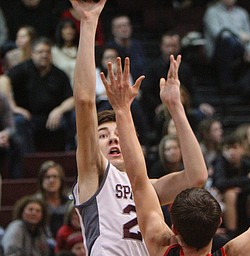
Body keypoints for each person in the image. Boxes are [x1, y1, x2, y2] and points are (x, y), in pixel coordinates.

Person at [108, 46, 250, 256]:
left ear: (174, 230)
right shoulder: (235, 253)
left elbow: (138, 180)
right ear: (219, 224)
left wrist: (122, 110)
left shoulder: (160, 247)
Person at [70, 1, 207, 255]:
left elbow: (196, 176)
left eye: (118, 134)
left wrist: (176, 107)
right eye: (103, 135)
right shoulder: (94, 175)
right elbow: (85, 101)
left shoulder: (148, 187)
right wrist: (88, 24)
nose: (113, 139)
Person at [0, 37, 75, 153]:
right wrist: (13, 107)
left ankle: (70, 157)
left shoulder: (59, 74)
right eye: (40, 52)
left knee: (72, 117)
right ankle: (28, 162)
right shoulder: (23, 69)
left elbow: (71, 99)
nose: (44, 55)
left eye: (47, 52)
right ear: (32, 54)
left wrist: (59, 110)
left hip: (52, 118)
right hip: (29, 117)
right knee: (18, 121)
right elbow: (4, 80)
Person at [141, 31, 196, 127]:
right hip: (158, 106)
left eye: (174, 46)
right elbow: (146, 91)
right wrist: (159, 105)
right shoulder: (152, 68)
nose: (171, 49)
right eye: (168, 46)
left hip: (183, 106)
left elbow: (191, 90)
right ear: (161, 46)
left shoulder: (185, 68)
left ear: (179, 47)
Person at [203, 0, 250, 93]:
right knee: (227, 42)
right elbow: (218, 34)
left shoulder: (242, 13)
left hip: (240, 50)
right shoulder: (212, 12)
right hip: (217, 52)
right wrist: (239, 35)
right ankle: (226, 85)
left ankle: (243, 88)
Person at [34, 160, 73, 240]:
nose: (51, 180)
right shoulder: (36, 202)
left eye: (55, 177)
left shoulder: (71, 200)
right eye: (47, 177)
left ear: (61, 180)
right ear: (41, 181)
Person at [108, 14, 147, 81]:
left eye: (126, 25)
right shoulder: (108, 48)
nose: (124, 29)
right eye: (119, 26)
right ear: (113, 30)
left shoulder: (138, 46)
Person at [0, 91, 24, 179]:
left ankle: (16, 181)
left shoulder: (1, 98)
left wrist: (4, 134)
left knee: (16, 142)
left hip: (1, 138)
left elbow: (11, 126)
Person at [51, 19, 79, 88]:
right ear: (60, 31)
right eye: (65, 28)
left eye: (71, 28)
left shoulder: (81, 50)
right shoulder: (54, 51)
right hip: (60, 89)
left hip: (79, 89)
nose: (69, 31)